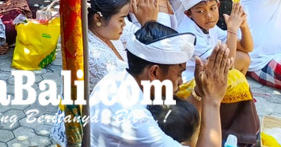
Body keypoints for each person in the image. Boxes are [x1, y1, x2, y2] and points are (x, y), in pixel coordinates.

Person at [90, 22, 232, 147]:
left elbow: (180, 118)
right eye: (179, 73)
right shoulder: (135, 120)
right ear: (155, 72)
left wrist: (200, 92)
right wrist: (212, 100)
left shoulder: (120, 76)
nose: (181, 81)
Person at [177, 0, 253, 81]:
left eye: (212, 8)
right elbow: (226, 67)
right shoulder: (190, 34)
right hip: (191, 82)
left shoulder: (209, 27)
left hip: (207, 75)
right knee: (229, 68)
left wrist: (243, 26)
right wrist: (232, 30)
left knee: (244, 58)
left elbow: (246, 47)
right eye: (200, 11)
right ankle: (223, 94)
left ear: (218, 6)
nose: (208, 16)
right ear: (188, 14)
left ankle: (227, 94)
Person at [84, 0, 132, 90]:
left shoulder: (107, 31)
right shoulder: (96, 57)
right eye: (121, 19)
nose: (124, 24)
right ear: (98, 19)